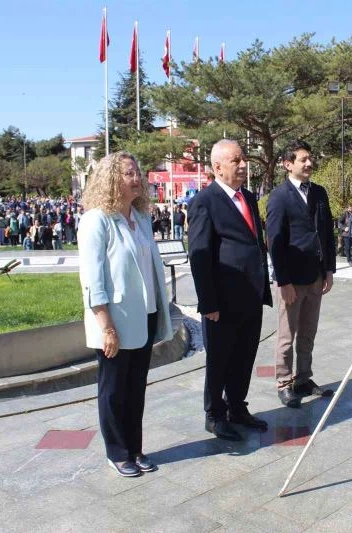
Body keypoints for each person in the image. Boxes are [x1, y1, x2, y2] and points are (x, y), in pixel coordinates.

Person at [78, 151, 174, 477]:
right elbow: (93, 280)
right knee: (114, 390)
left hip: (144, 315)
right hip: (114, 320)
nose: (137, 178)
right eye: (129, 173)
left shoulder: (141, 218)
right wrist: (106, 327)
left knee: (135, 388)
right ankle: (117, 452)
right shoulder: (97, 220)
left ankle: (135, 448)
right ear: (111, 179)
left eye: (137, 173)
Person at [188, 139, 272, 441]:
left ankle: (237, 406)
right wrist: (208, 302)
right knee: (219, 360)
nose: (243, 165)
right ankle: (214, 414)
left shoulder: (247, 197)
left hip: (251, 295)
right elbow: (199, 254)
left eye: (243, 159)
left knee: (244, 356)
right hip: (221, 302)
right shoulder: (205, 201)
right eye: (236, 160)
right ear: (218, 166)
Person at [266, 139, 336, 408]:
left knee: (308, 332)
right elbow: (274, 241)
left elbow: (327, 233)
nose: (309, 163)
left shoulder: (319, 192)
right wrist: (283, 281)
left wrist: (328, 269)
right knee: (287, 336)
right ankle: (284, 382)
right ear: (288, 164)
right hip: (291, 280)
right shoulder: (279, 196)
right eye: (303, 159)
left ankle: (303, 378)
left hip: (315, 276)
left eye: (310, 158)